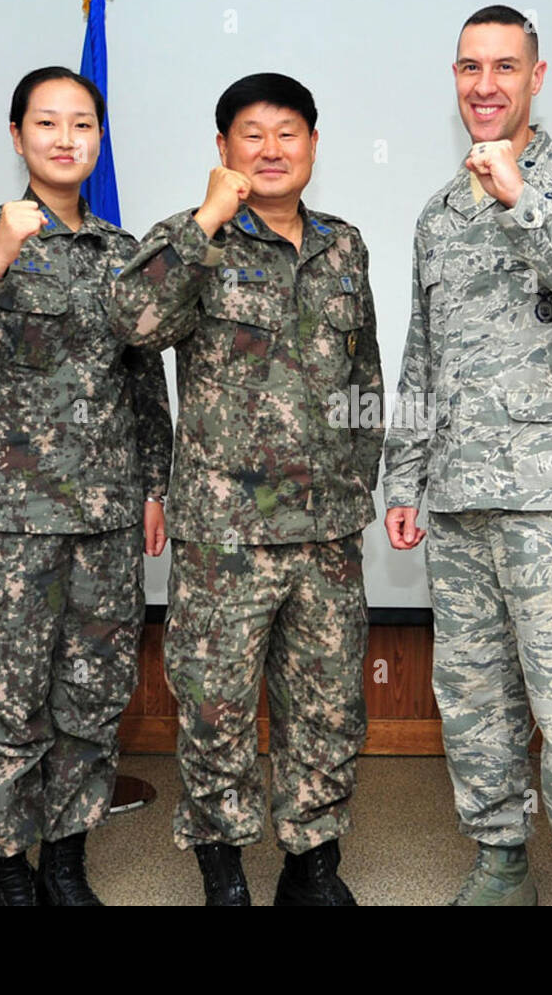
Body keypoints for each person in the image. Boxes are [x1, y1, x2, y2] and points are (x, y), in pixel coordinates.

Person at [383, 6, 552, 906]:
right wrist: (404, 473)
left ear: (538, 78)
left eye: (505, 66)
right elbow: (422, 356)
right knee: (474, 701)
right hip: (463, 506)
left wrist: (524, 203)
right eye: (469, 67)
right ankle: (501, 857)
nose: (485, 84)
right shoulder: (435, 212)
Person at [0, 66, 172, 906]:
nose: (65, 138)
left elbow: (145, 385)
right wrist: (0, 255)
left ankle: (65, 858)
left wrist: (155, 485)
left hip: (105, 522)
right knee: (9, 703)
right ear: (18, 136)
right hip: (8, 527)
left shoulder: (126, 255)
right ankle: (7, 869)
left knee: (91, 700)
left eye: (81, 124)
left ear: (98, 139)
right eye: (47, 123)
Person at [116, 73, 383, 906]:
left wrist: (359, 482)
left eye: (289, 132)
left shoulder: (344, 246)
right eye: (251, 134)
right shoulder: (194, 241)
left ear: (312, 144)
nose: (271, 150)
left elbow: (364, 378)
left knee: (329, 706)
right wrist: (203, 220)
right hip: (225, 534)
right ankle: (223, 866)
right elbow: (132, 320)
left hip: (326, 533)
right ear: (223, 149)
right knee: (215, 707)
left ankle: (312, 863)